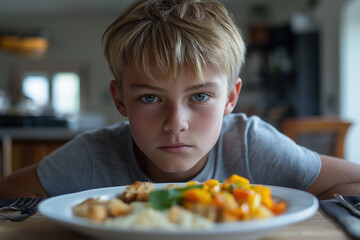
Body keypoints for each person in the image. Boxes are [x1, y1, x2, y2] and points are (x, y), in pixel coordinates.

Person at [0, 0, 360, 200]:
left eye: (200, 95)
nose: (176, 122)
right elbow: (8, 193)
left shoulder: (250, 145)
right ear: (120, 100)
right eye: (150, 97)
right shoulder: (95, 156)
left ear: (230, 98)